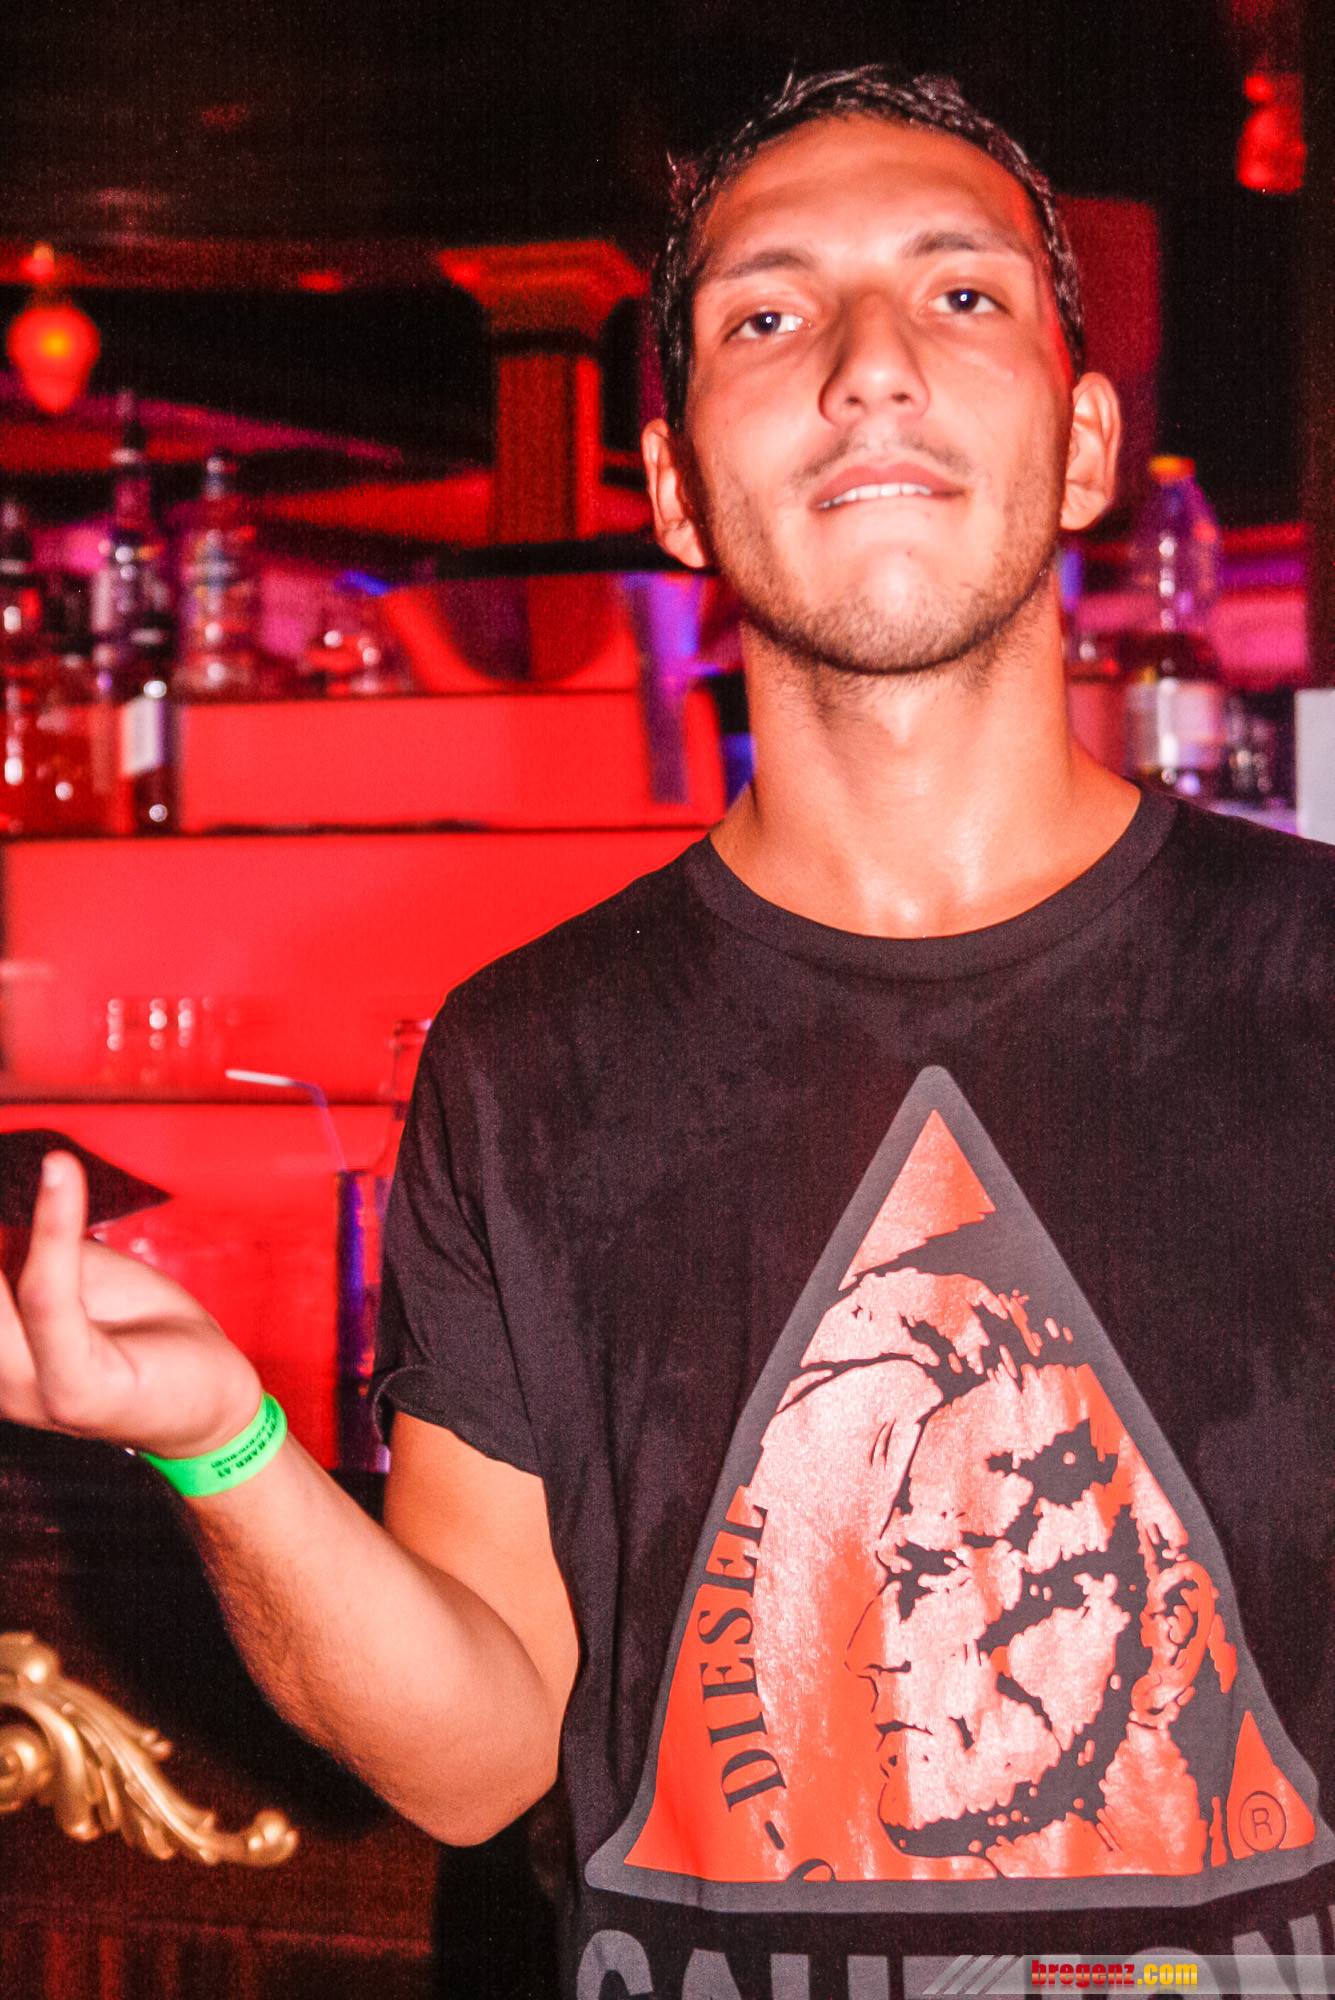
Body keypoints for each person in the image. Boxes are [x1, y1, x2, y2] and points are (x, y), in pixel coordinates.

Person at [3, 64, 1334, 2000]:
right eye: (769, 318)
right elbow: (474, 1763)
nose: (868, 367)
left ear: (1081, 443)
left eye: (958, 293)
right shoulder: (524, 1057)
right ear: (675, 486)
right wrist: (223, 1445)